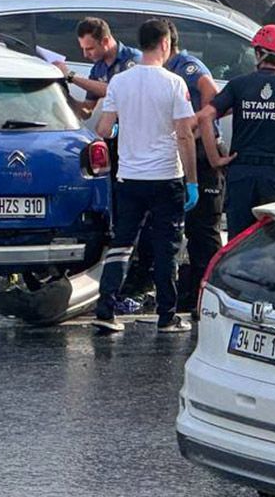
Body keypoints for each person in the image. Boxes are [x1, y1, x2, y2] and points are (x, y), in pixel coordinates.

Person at [92, 18, 199, 334]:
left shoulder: (120, 82)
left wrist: (122, 128)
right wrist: (191, 180)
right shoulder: (174, 83)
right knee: (167, 247)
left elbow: (103, 128)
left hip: (129, 177)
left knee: (122, 243)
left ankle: (106, 309)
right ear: (165, 44)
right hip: (166, 176)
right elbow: (183, 135)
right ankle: (167, 316)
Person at [197, 25, 275, 239]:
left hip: (242, 173)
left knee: (239, 243)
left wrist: (215, 159)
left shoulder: (239, 85)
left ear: (260, 53)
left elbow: (205, 116)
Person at [164, 21, 225, 315]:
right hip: (181, 151)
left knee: (203, 229)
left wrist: (198, 124)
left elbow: (210, 91)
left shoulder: (186, 66)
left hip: (200, 152)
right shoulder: (164, 69)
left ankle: (206, 290)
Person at [56, 17, 141, 120]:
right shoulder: (98, 69)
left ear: (105, 41)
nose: (85, 55)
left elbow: (118, 91)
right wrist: (63, 97)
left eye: (90, 49)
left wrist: (71, 76)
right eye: (82, 49)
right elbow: (86, 112)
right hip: (115, 131)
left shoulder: (132, 58)